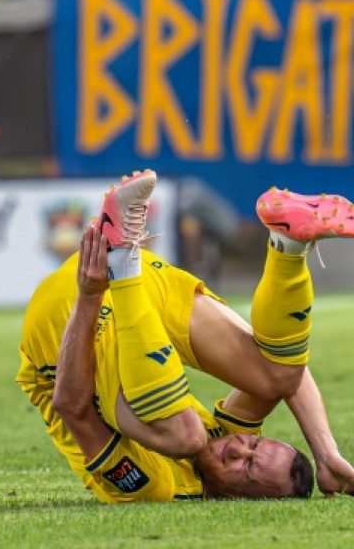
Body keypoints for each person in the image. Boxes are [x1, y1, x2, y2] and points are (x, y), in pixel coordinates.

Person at [18, 170, 354, 502]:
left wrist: (90, 294)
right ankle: (288, 245)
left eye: (247, 469)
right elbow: (290, 377)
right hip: (134, 284)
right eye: (254, 445)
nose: (238, 449)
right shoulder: (229, 439)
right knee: (276, 374)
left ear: (237, 501)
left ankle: (122, 261)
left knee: (187, 437)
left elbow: (71, 406)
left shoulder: (158, 487)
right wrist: (325, 453)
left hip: (67, 323)